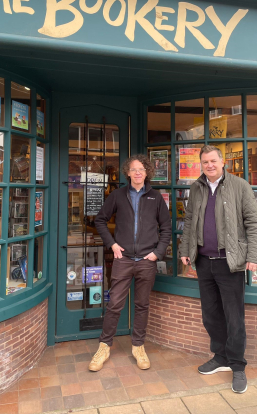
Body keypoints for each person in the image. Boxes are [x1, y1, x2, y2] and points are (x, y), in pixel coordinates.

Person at [179, 145, 257, 394]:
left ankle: (237, 365)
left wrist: (254, 255)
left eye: (213, 161)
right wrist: (185, 250)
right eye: (205, 162)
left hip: (230, 262)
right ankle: (221, 356)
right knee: (211, 314)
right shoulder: (196, 187)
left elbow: (253, 222)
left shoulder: (240, 186)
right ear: (201, 164)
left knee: (234, 316)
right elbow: (189, 221)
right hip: (204, 261)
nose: (209, 165)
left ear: (222, 162)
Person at [88, 154, 171, 372]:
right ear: (128, 172)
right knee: (115, 304)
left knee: (142, 305)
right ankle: (104, 346)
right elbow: (100, 220)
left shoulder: (155, 197)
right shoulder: (117, 195)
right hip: (123, 259)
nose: (137, 173)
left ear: (147, 173)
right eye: (134, 169)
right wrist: (113, 245)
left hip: (146, 260)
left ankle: (138, 346)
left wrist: (157, 253)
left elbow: (166, 228)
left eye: (141, 170)